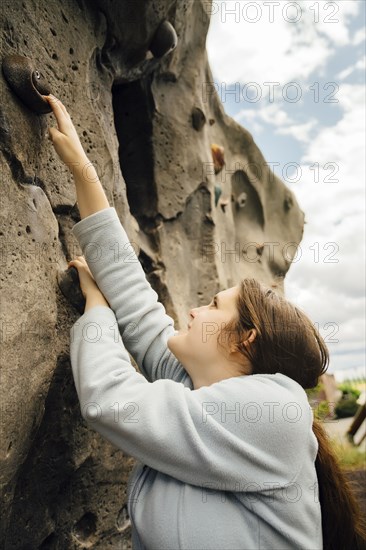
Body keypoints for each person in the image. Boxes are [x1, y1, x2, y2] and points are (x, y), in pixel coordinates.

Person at [44, 93, 366, 550]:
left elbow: (113, 400)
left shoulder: (275, 414)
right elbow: (138, 306)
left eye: (214, 307)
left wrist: (96, 305)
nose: (194, 310)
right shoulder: (198, 388)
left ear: (245, 340)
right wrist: (83, 171)